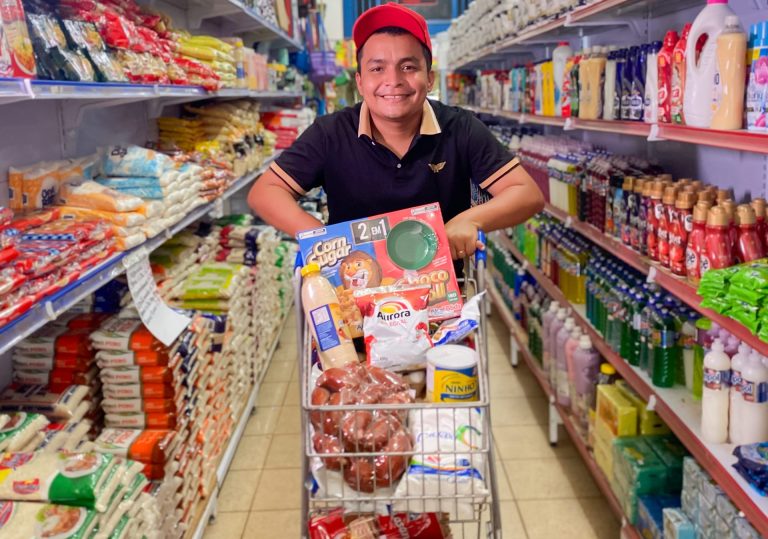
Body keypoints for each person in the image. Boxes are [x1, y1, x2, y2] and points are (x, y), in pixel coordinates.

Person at [248, 2, 544, 260]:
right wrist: (325, 241)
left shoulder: (460, 128)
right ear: (360, 82)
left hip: (441, 289)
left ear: (430, 79)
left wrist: (471, 219)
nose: (393, 80)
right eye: (377, 68)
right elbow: (265, 192)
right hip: (356, 287)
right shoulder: (330, 133)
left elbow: (526, 193)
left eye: (408, 67)